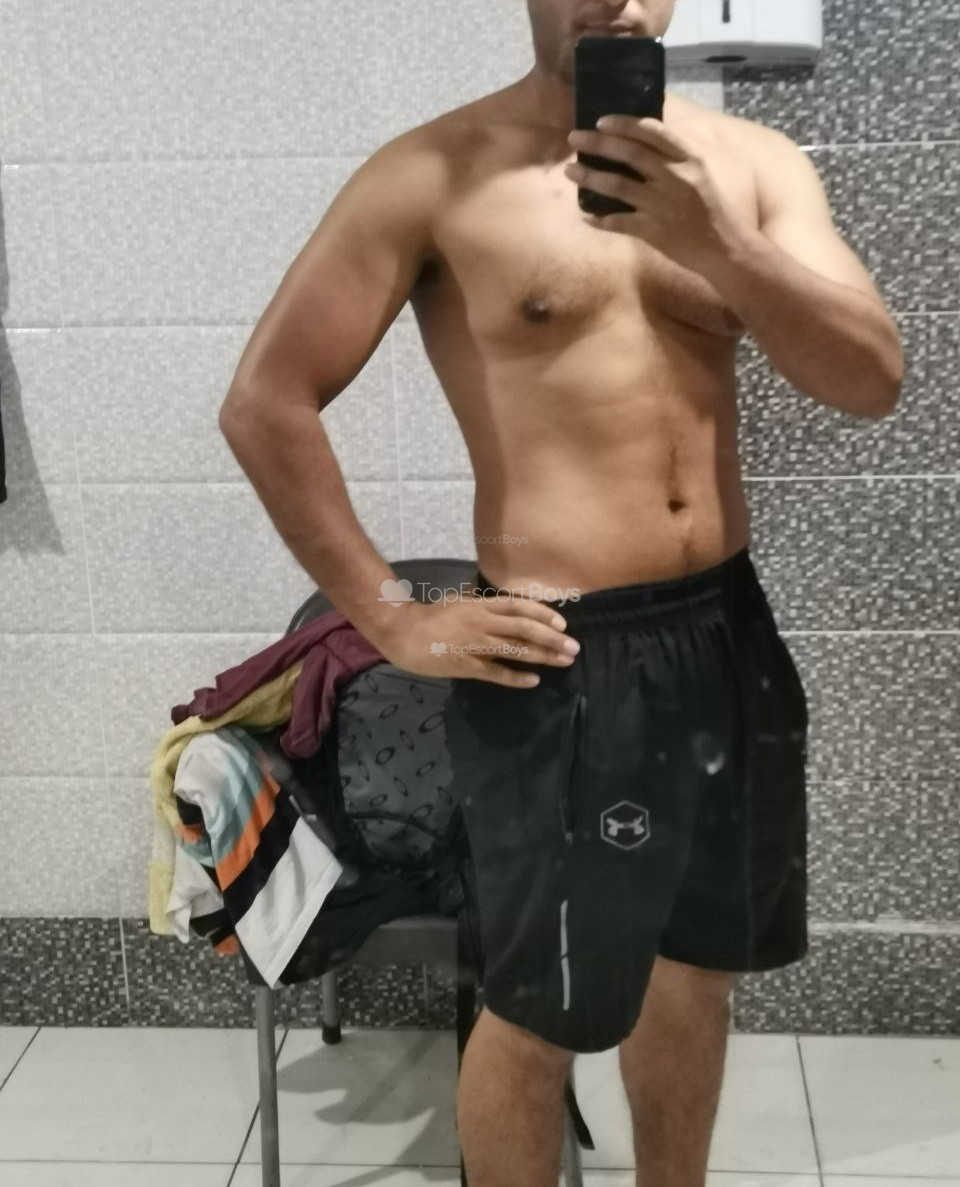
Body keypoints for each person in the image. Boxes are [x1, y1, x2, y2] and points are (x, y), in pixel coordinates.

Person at [219, 2, 904, 1183]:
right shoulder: (433, 175)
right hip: (563, 655)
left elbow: (871, 377)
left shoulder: (750, 167)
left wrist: (720, 244)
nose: (619, 0)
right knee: (540, 1010)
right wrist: (390, 613)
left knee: (695, 978)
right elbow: (266, 400)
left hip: (724, 630)